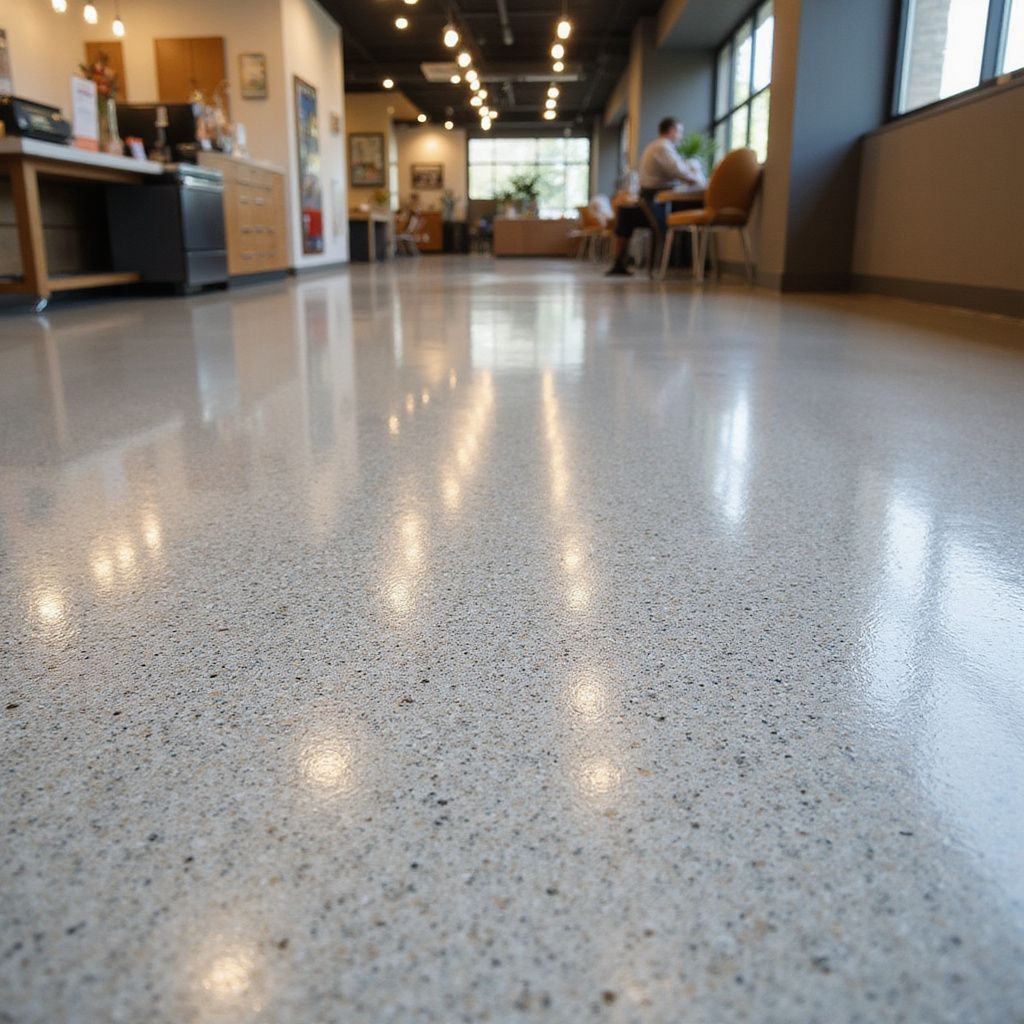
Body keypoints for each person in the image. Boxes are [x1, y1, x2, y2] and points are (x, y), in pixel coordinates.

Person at [606, 117, 706, 276]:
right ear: (671, 130)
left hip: (650, 197)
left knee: (625, 214)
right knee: (627, 214)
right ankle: (693, 263)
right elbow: (680, 172)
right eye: (679, 132)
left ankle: (619, 263)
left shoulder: (654, 146)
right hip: (657, 200)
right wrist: (697, 178)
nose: (680, 136)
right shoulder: (663, 147)